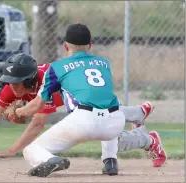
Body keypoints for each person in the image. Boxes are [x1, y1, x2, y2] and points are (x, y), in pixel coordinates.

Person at [8, 23, 153, 177]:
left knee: (31, 149)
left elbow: (37, 105)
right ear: (90, 46)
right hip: (115, 122)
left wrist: (17, 111)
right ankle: (110, 161)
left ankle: (51, 159)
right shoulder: (104, 63)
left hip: (83, 121)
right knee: (105, 102)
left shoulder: (57, 67)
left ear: (65, 46)